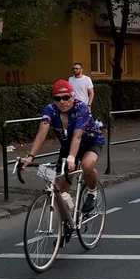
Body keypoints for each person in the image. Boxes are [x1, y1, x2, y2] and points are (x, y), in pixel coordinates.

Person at [22, 80, 105, 213]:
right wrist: (30, 157)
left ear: (73, 96)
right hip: (68, 146)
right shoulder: (50, 110)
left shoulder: (81, 108)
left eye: (66, 97)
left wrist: (72, 158)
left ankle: (92, 192)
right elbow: (41, 134)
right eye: (58, 98)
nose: (62, 101)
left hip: (90, 142)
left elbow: (77, 136)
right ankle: (69, 217)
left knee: (87, 165)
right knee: (60, 186)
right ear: (54, 100)